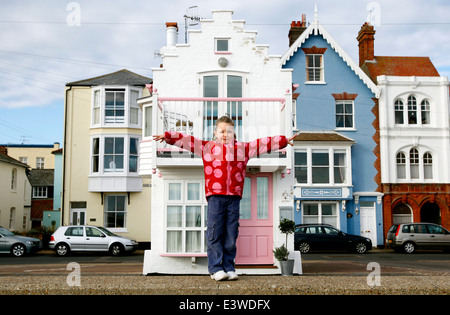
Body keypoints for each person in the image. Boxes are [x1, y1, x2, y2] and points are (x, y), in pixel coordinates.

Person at [153, 116, 295, 281]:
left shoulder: (244, 149)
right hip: (215, 196)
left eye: (229, 131)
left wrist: (284, 140)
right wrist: (169, 136)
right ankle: (215, 268)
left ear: (234, 132)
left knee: (231, 233)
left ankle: (229, 267)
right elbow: (188, 141)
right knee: (214, 231)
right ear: (215, 132)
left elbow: (263, 143)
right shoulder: (208, 148)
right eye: (221, 131)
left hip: (234, 197)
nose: (225, 134)